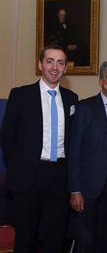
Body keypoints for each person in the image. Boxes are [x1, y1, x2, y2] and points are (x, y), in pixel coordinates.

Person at [0, 44, 78, 252]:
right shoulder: (21, 95)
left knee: (56, 239)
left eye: (60, 62)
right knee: (25, 239)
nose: (55, 67)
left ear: (65, 68)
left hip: (60, 179)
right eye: (50, 61)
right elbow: (7, 137)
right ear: (40, 64)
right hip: (28, 178)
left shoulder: (72, 99)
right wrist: (21, 164)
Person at [68, 61, 107, 253]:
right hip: (88, 183)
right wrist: (75, 190)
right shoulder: (84, 108)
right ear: (100, 81)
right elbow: (74, 151)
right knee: (87, 237)